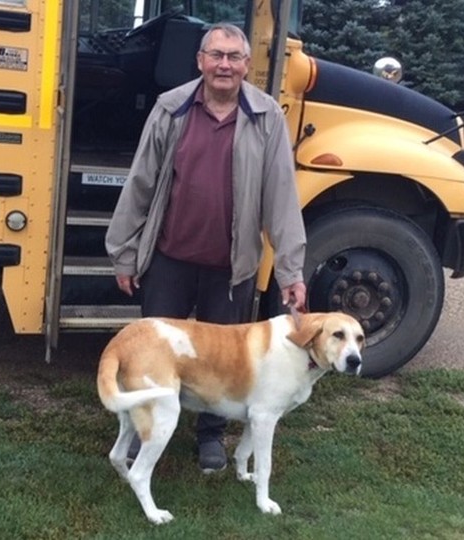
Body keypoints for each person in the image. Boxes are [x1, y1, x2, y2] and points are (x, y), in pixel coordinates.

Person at [105, 22, 307, 473]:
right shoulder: (170, 108)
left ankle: (211, 437)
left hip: (230, 269)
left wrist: (291, 272)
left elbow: (281, 197)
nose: (224, 65)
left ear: (247, 66)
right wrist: (124, 252)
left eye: (234, 57)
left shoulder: (266, 117)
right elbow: (140, 183)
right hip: (168, 260)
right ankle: (144, 430)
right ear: (200, 61)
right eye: (216, 55)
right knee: (153, 357)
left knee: (226, 364)